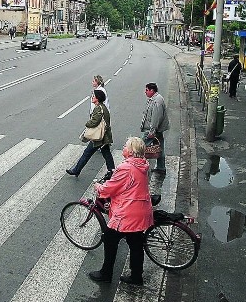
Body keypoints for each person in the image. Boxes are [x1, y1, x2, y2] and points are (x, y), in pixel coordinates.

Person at [88, 137, 153, 286]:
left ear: (131, 151)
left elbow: (108, 189)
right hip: (140, 210)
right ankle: (136, 277)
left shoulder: (126, 168)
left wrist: (98, 186)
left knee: (110, 239)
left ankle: (105, 273)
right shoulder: (142, 164)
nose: (123, 147)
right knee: (136, 244)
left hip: (127, 213)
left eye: (125, 145)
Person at [66, 89, 115, 177]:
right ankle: (111, 170)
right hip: (104, 136)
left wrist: (87, 123)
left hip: (99, 137)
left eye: (94, 96)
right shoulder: (103, 107)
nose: (92, 97)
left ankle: (76, 170)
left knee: (87, 153)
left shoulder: (98, 108)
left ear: (97, 98)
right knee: (107, 154)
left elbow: (94, 122)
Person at [140, 82, 170, 173]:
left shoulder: (157, 101)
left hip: (153, 130)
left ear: (152, 91)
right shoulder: (154, 99)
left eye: (147, 90)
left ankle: (137, 168)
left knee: (140, 147)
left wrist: (152, 131)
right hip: (157, 129)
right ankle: (161, 167)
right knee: (159, 147)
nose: (145, 92)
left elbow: (155, 118)